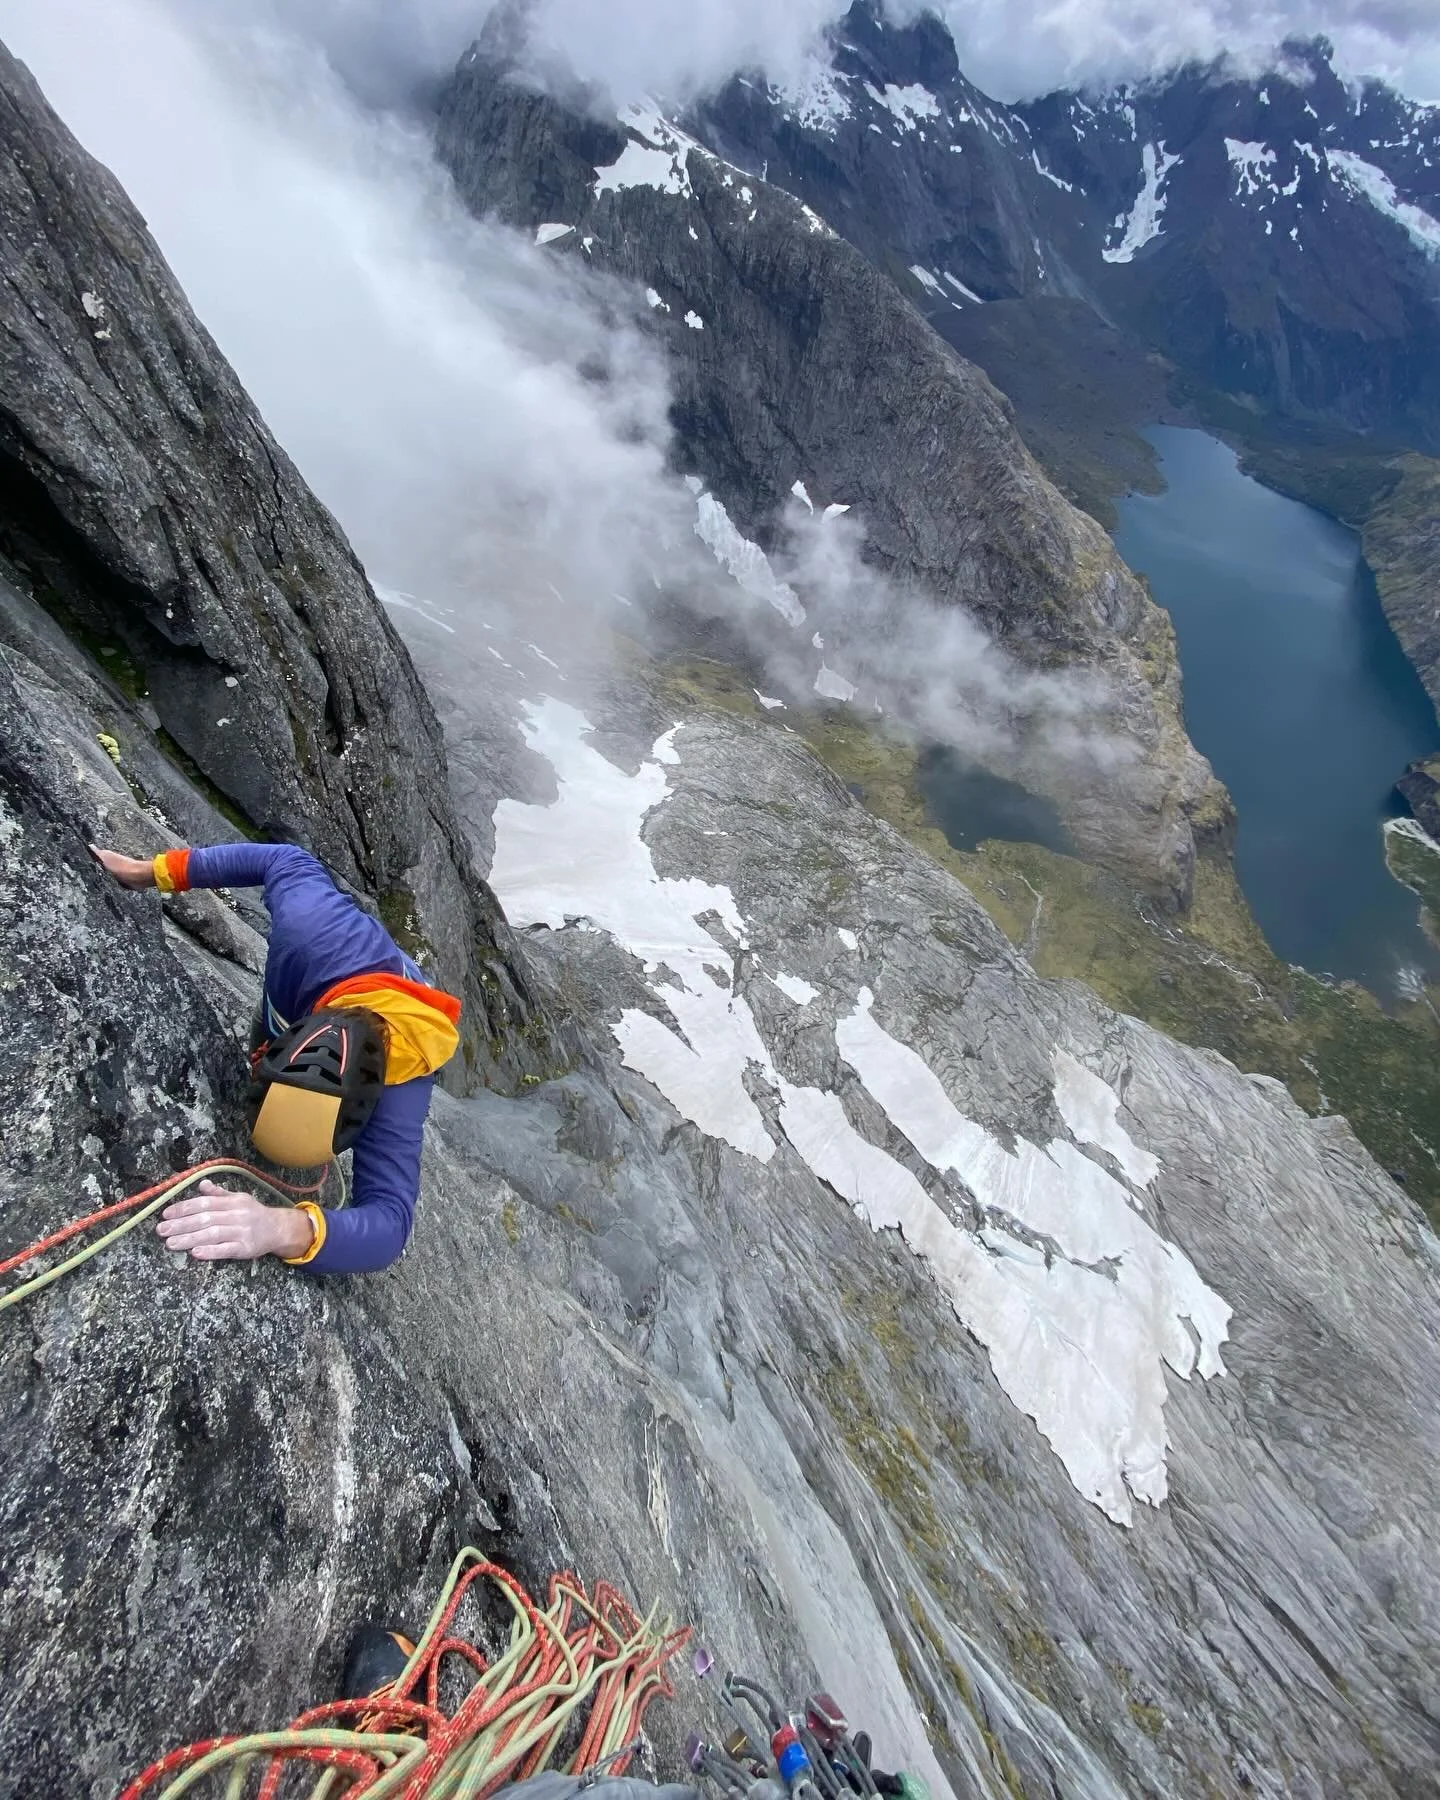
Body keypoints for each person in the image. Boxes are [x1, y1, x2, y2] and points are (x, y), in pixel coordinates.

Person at [90, 840, 462, 1275]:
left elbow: (391, 1224)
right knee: (270, 1016)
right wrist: (149, 871)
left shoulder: (402, 1086)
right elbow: (282, 857)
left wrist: (281, 1227)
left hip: (383, 989)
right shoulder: (311, 930)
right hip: (330, 964)